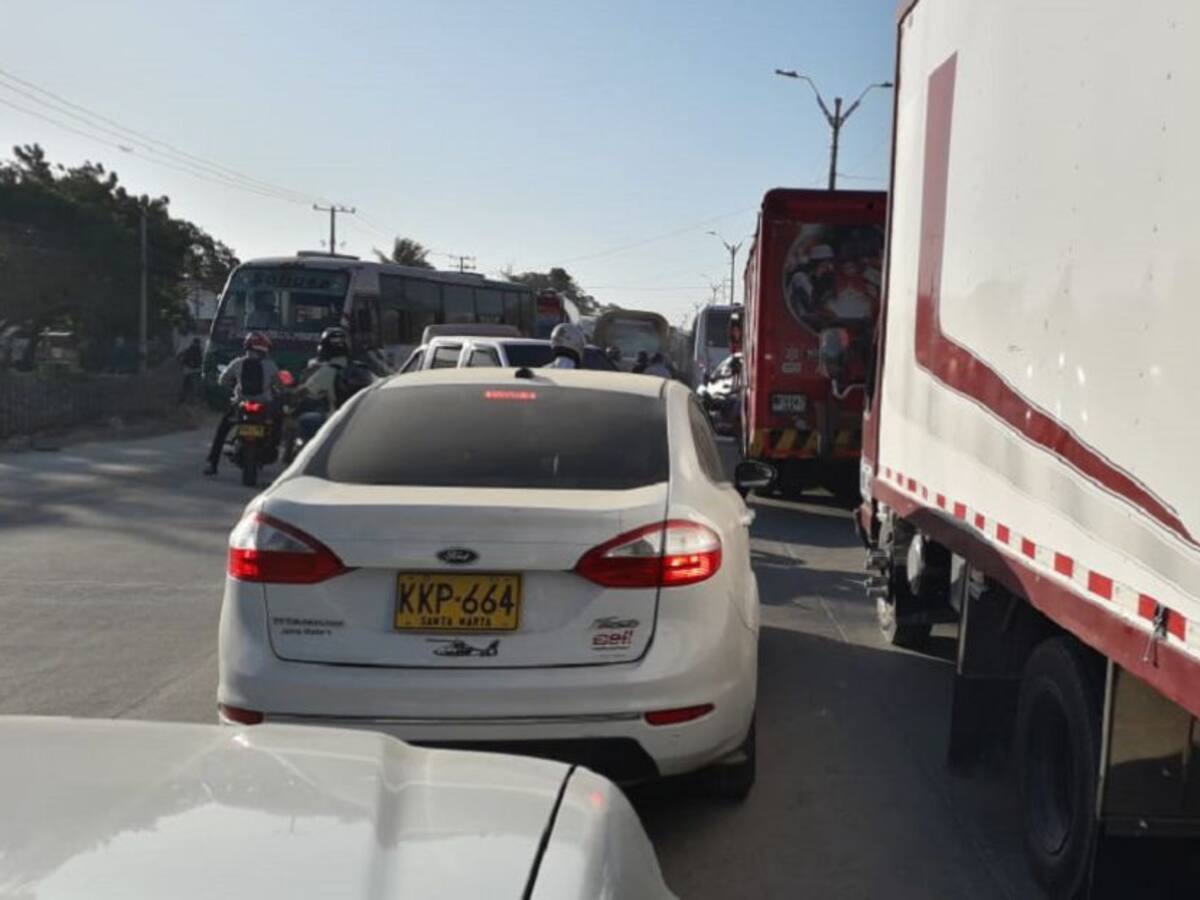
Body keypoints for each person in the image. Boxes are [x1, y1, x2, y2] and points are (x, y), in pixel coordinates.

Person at [203, 332, 282, 475]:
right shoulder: (270, 365)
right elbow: (280, 384)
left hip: (241, 403)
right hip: (264, 404)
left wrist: (233, 384)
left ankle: (212, 463)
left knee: (222, 431)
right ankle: (273, 448)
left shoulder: (237, 363)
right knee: (277, 422)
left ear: (247, 346)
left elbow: (222, 380)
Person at [296, 327, 351, 414]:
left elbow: (302, 393)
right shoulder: (358, 367)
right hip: (362, 419)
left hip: (341, 421)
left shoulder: (327, 371)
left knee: (306, 421)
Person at [177, 337, 203, 404]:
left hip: (191, 369)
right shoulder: (193, 350)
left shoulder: (194, 350)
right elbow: (181, 357)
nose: (196, 345)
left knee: (189, 385)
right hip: (191, 369)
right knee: (189, 385)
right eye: (196, 343)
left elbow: (181, 356)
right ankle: (186, 398)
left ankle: (186, 398)